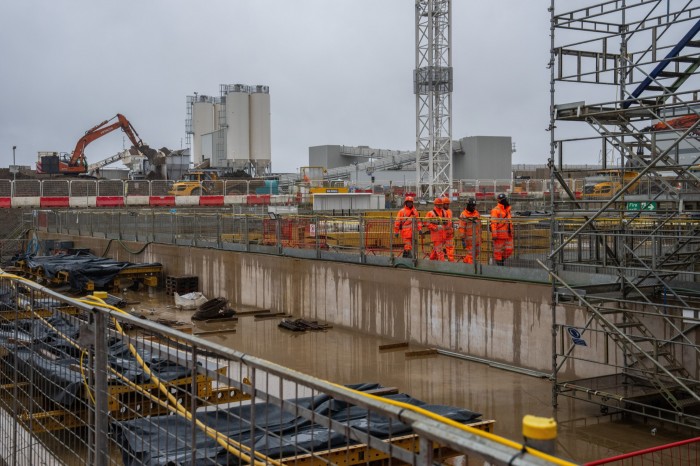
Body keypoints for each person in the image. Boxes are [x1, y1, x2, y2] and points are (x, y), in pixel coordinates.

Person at [490, 193, 513, 266]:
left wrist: (511, 232)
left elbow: (509, 222)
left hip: (508, 234)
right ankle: (500, 266)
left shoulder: (508, 210)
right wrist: (494, 234)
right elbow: (493, 223)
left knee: (509, 250)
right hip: (499, 235)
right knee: (497, 252)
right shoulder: (495, 210)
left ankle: (501, 261)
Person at [459, 197, 481, 264]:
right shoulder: (463, 215)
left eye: (474, 206)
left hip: (477, 239)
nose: (473, 207)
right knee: (471, 255)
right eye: (472, 205)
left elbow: (479, 225)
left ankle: (465, 261)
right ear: (468, 205)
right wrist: (462, 239)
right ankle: (471, 268)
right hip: (469, 240)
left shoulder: (476, 213)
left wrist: (480, 235)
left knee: (477, 252)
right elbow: (461, 227)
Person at [441, 196, 456, 262]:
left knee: (450, 248)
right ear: (443, 204)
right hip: (442, 233)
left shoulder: (450, 211)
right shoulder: (440, 212)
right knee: (438, 248)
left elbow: (451, 221)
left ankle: (451, 260)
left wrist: (452, 230)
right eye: (446, 204)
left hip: (449, 233)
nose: (447, 205)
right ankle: (438, 260)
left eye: (448, 204)